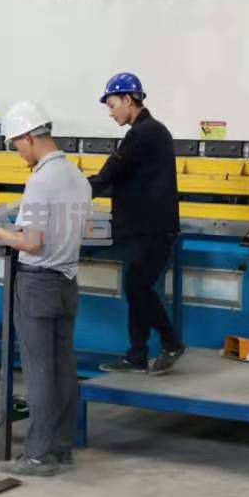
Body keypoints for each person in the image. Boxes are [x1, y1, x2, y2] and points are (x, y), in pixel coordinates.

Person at [0, 100, 90, 477]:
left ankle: (37, 455)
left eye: (15, 145)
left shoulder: (41, 181)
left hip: (39, 283)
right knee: (64, 369)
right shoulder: (78, 178)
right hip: (68, 282)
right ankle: (61, 449)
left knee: (39, 372)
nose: (18, 153)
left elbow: (33, 242)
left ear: (28, 137)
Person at [90, 72, 186, 375]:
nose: (111, 112)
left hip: (151, 231)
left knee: (138, 288)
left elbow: (109, 174)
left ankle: (171, 342)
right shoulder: (152, 131)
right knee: (136, 287)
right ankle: (137, 355)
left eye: (112, 105)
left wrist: (71, 190)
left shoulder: (143, 134)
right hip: (148, 229)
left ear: (128, 100)